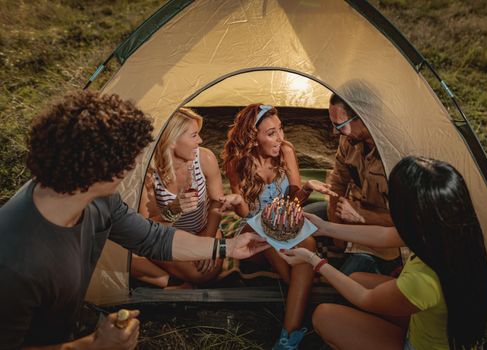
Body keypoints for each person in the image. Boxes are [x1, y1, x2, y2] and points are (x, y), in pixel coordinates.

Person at [0, 91, 269, 349]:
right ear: (102, 170)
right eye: (130, 161)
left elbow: (152, 237)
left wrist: (228, 247)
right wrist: (92, 346)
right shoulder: (16, 261)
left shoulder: (99, 200)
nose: (133, 168)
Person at [280, 156, 487, 350]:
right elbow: (384, 236)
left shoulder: (423, 279)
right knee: (356, 278)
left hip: (417, 344)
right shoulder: (450, 231)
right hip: (433, 325)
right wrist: (326, 228)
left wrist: (313, 260)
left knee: (324, 316)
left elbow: (365, 298)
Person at [221, 103, 336, 350]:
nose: (280, 138)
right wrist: (237, 201)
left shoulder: (286, 151)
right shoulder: (236, 162)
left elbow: (294, 200)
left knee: (308, 243)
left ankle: (287, 337)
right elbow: (245, 214)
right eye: (271, 133)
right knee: (267, 236)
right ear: (253, 138)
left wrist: (306, 188)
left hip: (283, 225)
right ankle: (302, 295)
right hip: (252, 235)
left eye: (280, 129)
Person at [131, 108, 241, 288]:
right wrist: (173, 210)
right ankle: (173, 284)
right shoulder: (150, 174)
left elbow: (217, 202)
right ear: (172, 140)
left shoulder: (205, 158)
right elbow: (145, 229)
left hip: (203, 231)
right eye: (194, 135)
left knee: (204, 272)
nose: (200, 140)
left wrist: (208, 241)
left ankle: (171, 281)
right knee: (123, 254)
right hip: (168, 239)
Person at [307, 93, 401, 276]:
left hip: (385, 241)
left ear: (365, 117)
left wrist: (362, 216)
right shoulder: (349, 139)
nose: (335, 132)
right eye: (333, 124)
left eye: (340, 126)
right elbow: (338, 182)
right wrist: (335, 224)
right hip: (350, 213)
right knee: (298, 222)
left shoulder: (396, 156)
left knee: (347, 279)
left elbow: (407, 222)